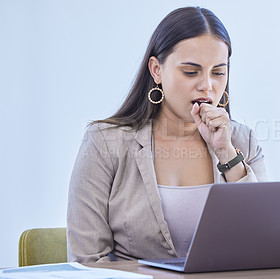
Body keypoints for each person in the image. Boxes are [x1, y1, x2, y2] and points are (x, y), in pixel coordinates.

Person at [67, 6, 267, 263]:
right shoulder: (105, 142)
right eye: (191, 71)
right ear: (156, 70)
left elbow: (263, 241)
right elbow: (87, 261)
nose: (207, 85)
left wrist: (226, 154)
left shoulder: (243, 142)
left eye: (218, 72)